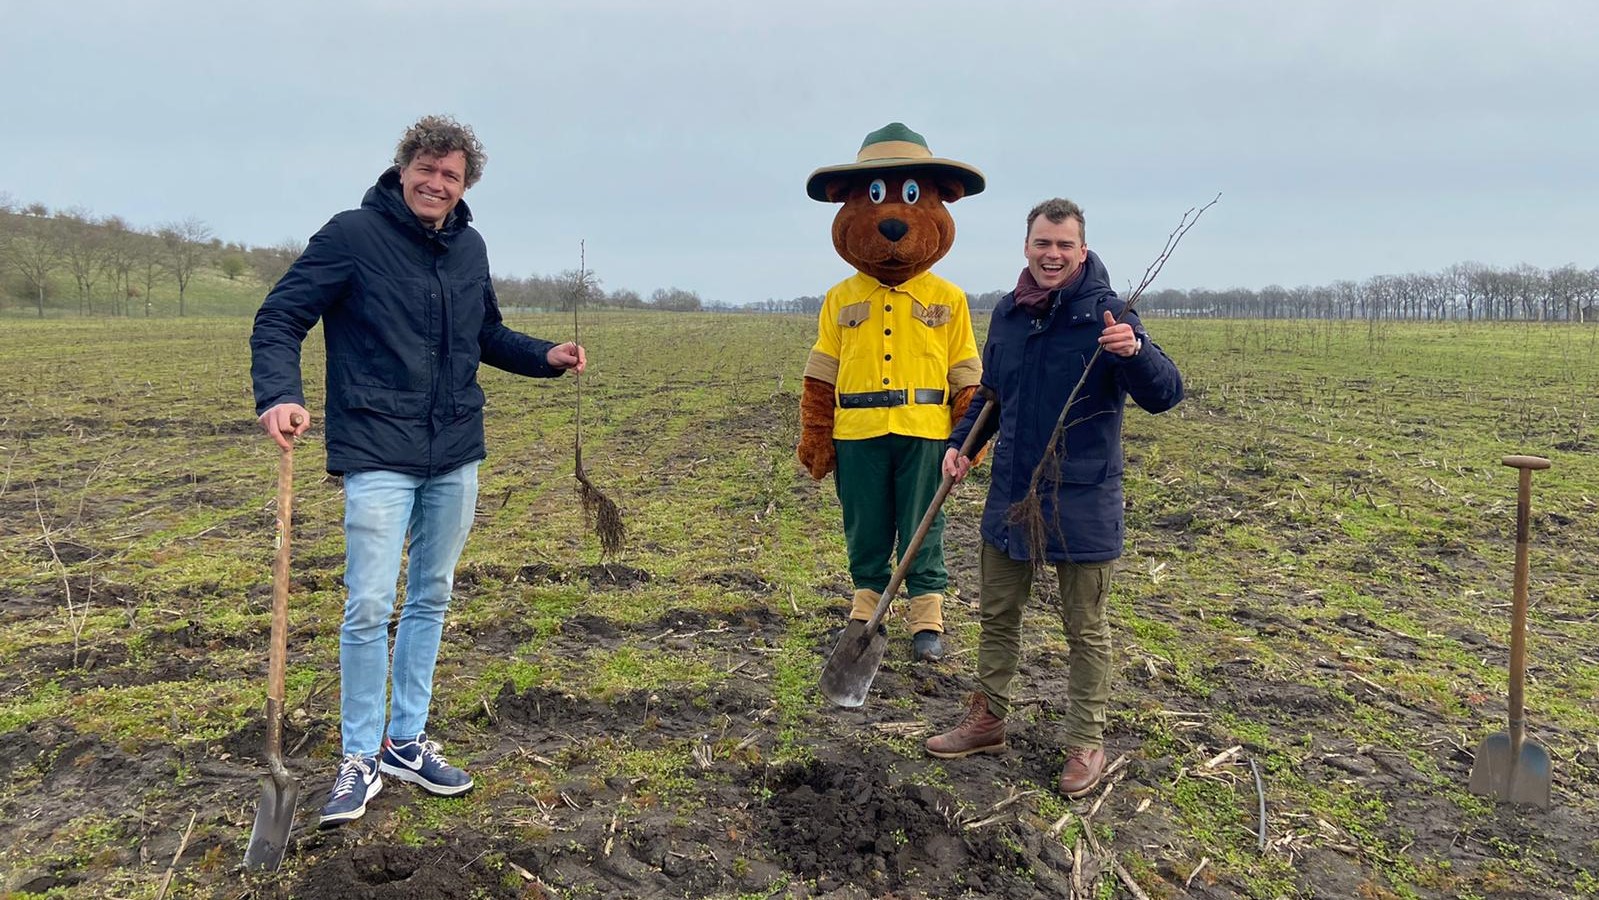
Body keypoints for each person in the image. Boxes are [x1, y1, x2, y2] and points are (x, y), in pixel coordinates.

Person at [250, 115, 586, 827]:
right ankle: (359, 756)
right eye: (426, 169)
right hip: (375, 447)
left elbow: (484, 333)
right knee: (369, 604)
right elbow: (280, 317)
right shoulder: (350, 236)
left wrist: (543, 356)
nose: (436, 183)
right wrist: (280, 394)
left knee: (430, 597)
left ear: (465, 186)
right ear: (402, 169)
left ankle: (405, 741)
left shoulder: (469, 247)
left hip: (454, 448)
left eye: (451, 175)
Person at [924, 198, 1183, 798]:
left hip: (1082, 499)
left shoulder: (1110, 314)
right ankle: (987, 718)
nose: (1053, 254)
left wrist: (1135, 353)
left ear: (1082, 251)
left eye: (1064, 245)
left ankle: (1085, 741)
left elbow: (1167, 394)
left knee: (1084, 627)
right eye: (1043, 243)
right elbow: (993, 395)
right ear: (1026, 247)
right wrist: (963, 443)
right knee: (997, 616)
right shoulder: (1009, 315)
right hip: (1012, 493)